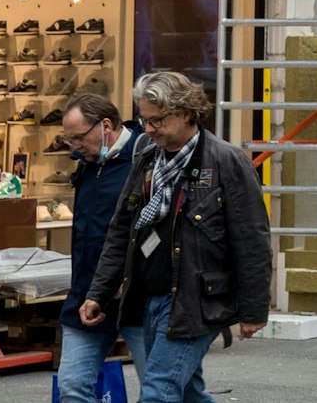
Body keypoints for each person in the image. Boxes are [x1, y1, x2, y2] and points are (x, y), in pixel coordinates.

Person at [80, 72, 271, 403]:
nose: (148, 129)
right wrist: (99, 291)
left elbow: (252, 240)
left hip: (196, 302)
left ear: (185, 112)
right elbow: (122, 230)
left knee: (158, 391)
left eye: (157, 120)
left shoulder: (226, 161)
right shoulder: (147, 155)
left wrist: (254, 310)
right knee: (187, 394)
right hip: (149, 296)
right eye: (145, 120)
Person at [57, 94, 144, 403]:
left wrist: (131, 276)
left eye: (79, 138)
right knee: (72, 386)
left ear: (106, 126)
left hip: (137, 299)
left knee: (162, 392)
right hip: (87, 295)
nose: (75, 147)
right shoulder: (88, 163)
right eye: (69, 140)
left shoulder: (145, 158)